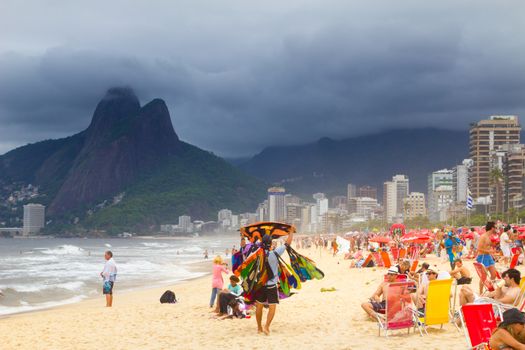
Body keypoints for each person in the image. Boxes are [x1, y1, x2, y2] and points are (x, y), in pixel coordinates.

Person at [255, 230, 294, 336]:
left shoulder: (258, 255)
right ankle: (267, 326)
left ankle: (259, 328)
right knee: (272, 306)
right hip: (271, 285)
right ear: (270, 243)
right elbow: (287, 243)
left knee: (259, 305)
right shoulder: (275, 253)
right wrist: (291, 231)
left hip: (260, 284)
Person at [477, 222, 499, 290]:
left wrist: (494, 246)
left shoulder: (490, 236)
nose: (497, 229)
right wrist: (489, 251)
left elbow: (489, 246)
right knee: (484, 277)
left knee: (494, 274)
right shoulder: (483, 236)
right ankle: (481, 293)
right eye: (495, 227)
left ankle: (489, 288)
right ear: (492, 228)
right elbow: (479, 249)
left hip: (488, 256)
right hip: (482, 257)